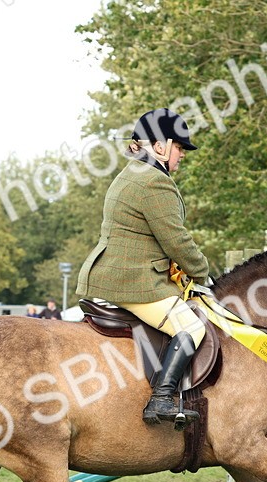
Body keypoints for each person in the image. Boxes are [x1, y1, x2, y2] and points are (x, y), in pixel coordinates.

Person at [76, 107, 210, 427]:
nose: (181, 156)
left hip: (116, 273)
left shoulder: (133, 173)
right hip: (132, 280)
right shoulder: (153, 181)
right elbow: (176, 241)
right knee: (192, 327)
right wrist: (204, 275)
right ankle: (160, 400)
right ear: (160, 145)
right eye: (178, 148)